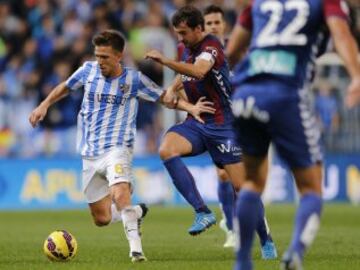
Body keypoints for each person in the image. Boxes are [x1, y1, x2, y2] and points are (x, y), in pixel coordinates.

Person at [29, 29, 215, 263]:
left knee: (120, 193)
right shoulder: (87, 71)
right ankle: (134, 213)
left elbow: (164, 98)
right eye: (97, 56)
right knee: (102, 219)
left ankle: (136, 251)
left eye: (105, 57)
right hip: (89, 153)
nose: (100, 62)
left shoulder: (133, 80)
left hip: (118, 149)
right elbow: (65, 86)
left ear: (119, 56)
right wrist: (44, 105)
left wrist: (191, 109)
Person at [227, 1, 360, 269]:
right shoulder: (326, 3)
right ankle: (295, 254)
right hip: (284, 94)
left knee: (252, 182)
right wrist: (356, 75)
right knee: (311, 188)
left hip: (246, 92)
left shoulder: (259, 4)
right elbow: (341, 33)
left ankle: (242, 264)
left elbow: (230, 52)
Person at [145, 6, 277, 260]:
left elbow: (198, 70)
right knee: (166, 149)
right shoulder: (187, 48)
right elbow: (186, 74)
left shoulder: (212, 45)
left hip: (224, 126)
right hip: (197, 122)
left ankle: (266, 239)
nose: (180, 39)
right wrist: (174, 89)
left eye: (184, 33)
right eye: (178, 34)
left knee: (243, 188)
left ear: (198, 29)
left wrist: (165, 61)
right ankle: (202, 212)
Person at [203, 4, 237, 249]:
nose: (214, 26)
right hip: (220, 120)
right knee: (224, 172)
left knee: (243, 176)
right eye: (209, 23)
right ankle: (232, 227)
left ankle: (235, 219)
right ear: (203, 28)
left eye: (217, 22)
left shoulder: (238, 49)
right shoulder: (201, 53)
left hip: (244, 117)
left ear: (224, 24)